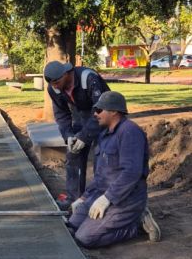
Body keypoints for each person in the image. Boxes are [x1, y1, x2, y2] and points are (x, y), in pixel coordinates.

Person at [67, 91, 161, 248]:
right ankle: (121, 220)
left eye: (99, 110)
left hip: (126, 198)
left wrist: (108, 198)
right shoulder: (105, 133)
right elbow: (101, 174)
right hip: (102, 193)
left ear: (114, 112)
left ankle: (135, 225)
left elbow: (132, 172)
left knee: (85, 238)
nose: (95, 114)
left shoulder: (130, 132)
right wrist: (84, 197)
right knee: (73, 224)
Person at [44, 60, 110, 208]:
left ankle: (102, 198)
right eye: (52, 83)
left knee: (102, 156)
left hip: (105, 116)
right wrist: (68, 136)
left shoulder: (88, 78)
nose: (55, 86)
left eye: (57, 82)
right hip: (81, 116)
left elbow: (100, 110)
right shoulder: (54, 88)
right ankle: (74, 198)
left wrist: (84, 136)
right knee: (73, 154)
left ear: (66, 74)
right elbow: (61, 114)